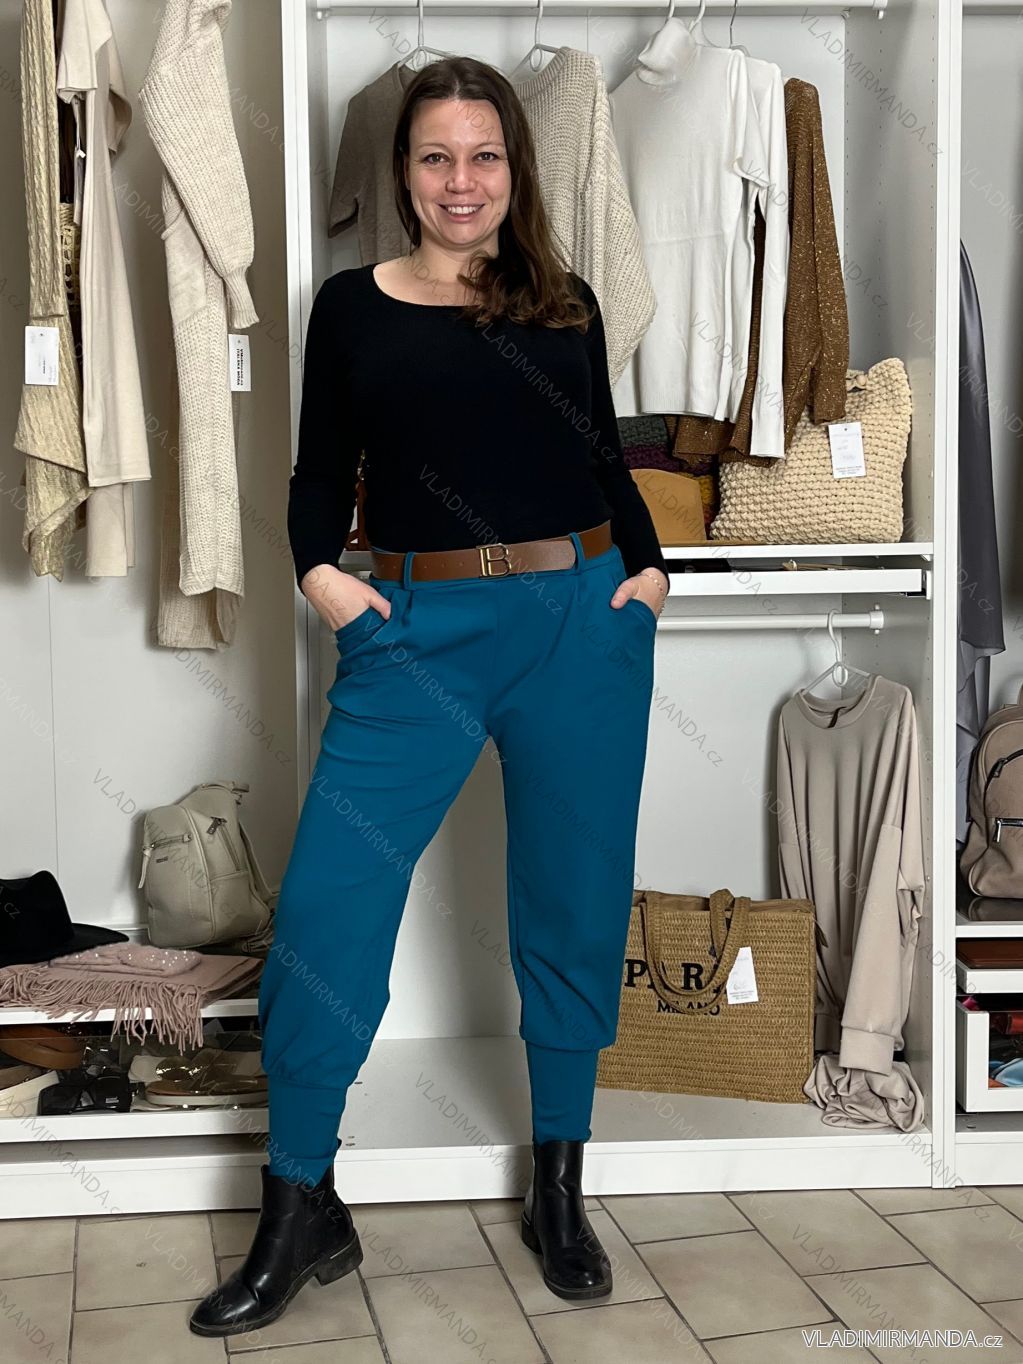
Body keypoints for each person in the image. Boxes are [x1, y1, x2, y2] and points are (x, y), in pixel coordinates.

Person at [189, 54, 669, 1339]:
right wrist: (319, 575)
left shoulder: (564, 303)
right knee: (328, 911)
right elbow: (316, 473)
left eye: (485, 156)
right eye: (437, 157)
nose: (463, 182)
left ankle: (559, 1185)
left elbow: (604, 456)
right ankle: (300, 1202)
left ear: (516, 167)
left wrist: (648, 576)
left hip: (581, 622)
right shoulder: (351, 307)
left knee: (571, 902)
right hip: (413, 633)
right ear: (403, 173)